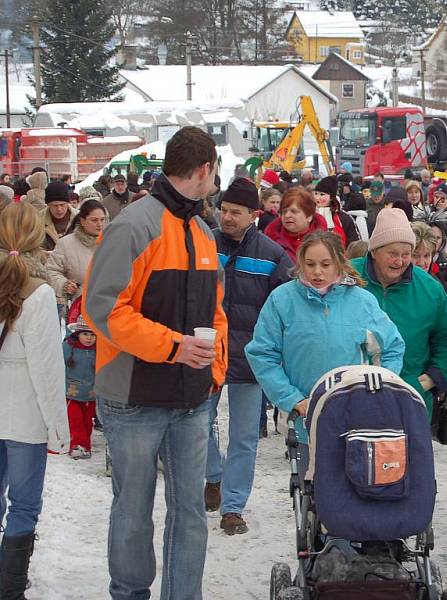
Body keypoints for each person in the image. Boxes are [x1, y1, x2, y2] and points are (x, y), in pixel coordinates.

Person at [82, 126, 228, 600]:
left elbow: (217, 314)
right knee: (133, 509)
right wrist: (174, 347)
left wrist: (213, 371)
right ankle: (129, 595)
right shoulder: (133, 225)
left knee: (190, 513)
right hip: (132, 397)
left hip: (190, 399)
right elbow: (103, 308)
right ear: (205, 169)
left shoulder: (202, 233)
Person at [245, 231, 406, 473]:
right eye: (310, 264)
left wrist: (377, 388)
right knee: (311, 488)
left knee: (351, 486)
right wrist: (292, 399)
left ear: (339, 263)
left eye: (325, 264)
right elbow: (262, 354)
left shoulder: (362, 301)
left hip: (354, 415)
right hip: (303, 414)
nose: (317, 272)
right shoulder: (282, 299)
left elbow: (391, 347)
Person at [204, 178, 292, 535]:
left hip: (250, 359)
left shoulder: (272, 256)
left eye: (235, 212)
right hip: (206, 351)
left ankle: (234, 505)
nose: (226, 217)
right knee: (198, 426)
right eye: (223, 210)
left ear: (253, 215)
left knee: (244, 436)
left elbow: (283, 309)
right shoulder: (204, 243)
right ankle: (213, 476)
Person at [0, 202, 69, 599]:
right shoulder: (39, 292)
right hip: (24, 417)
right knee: (24, 505)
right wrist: (58, 430)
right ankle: (10, 587)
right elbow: (46, 369)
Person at [351, 208, 447, 419]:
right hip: (350, 397)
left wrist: (431, 379)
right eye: (393, 254)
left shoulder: (428, 287)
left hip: (410, 398)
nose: (400, 261)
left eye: (406, 254)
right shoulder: (347, 278)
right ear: (374, 251)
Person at [46, 198, 107, 314]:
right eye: (94, 220)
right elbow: (50, 271)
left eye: (102, 220)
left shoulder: (113, 243)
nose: (99, 224)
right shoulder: (66, 244)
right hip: (77, 311)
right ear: (83, 221)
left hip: (108, 309)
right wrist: (64, 285)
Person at [63, 315, 98, 459]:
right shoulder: (68, 347)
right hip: (71, 391)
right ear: (78, 334)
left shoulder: (100, 350)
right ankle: (77, 444)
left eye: (92, 335)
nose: (89, 338)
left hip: (91, 393)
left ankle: (86, 445)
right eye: (85, 334)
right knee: (75, 419)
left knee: (87, 421)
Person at [265, 187, 327, 262]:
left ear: (309, 216)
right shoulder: (270, 241)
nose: (287, 215)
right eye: (284, 212)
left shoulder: (325, 242)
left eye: (294, 211)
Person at [410, 221, 447, 305]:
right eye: (415, 256)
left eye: (426, 256)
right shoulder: (394, 284)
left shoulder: (436, 285)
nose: (421, 262)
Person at [314, 175, 359, 248]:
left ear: (331, 197)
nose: (317, 197)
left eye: (322, 194)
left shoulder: (344, 218)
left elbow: (355, 246)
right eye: (316, 193)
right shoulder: (309, 216)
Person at [42, 181, 79, 252]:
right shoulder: (38, 220)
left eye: (62, 205)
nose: (59, 209)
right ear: (48, 205)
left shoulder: (80, 218)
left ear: (68, 203)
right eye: (55, 205)